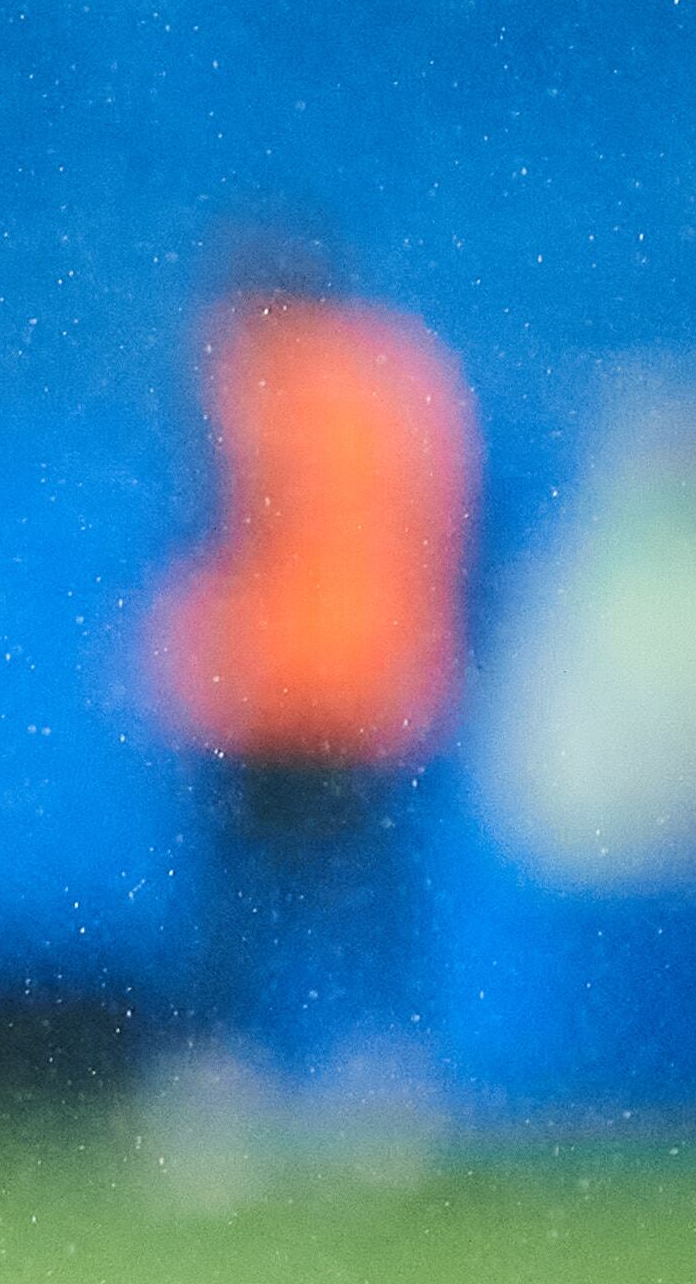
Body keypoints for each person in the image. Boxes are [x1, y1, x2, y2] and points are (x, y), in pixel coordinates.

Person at [148, 230, 476, 1088]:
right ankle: (387, 1067)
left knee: (244, 895)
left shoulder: (264, 386)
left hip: (280, 685)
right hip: (383, 681)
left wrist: (189, 655)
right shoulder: (404, 375)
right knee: (370, 892)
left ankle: (224, 1069)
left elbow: (238, 534)